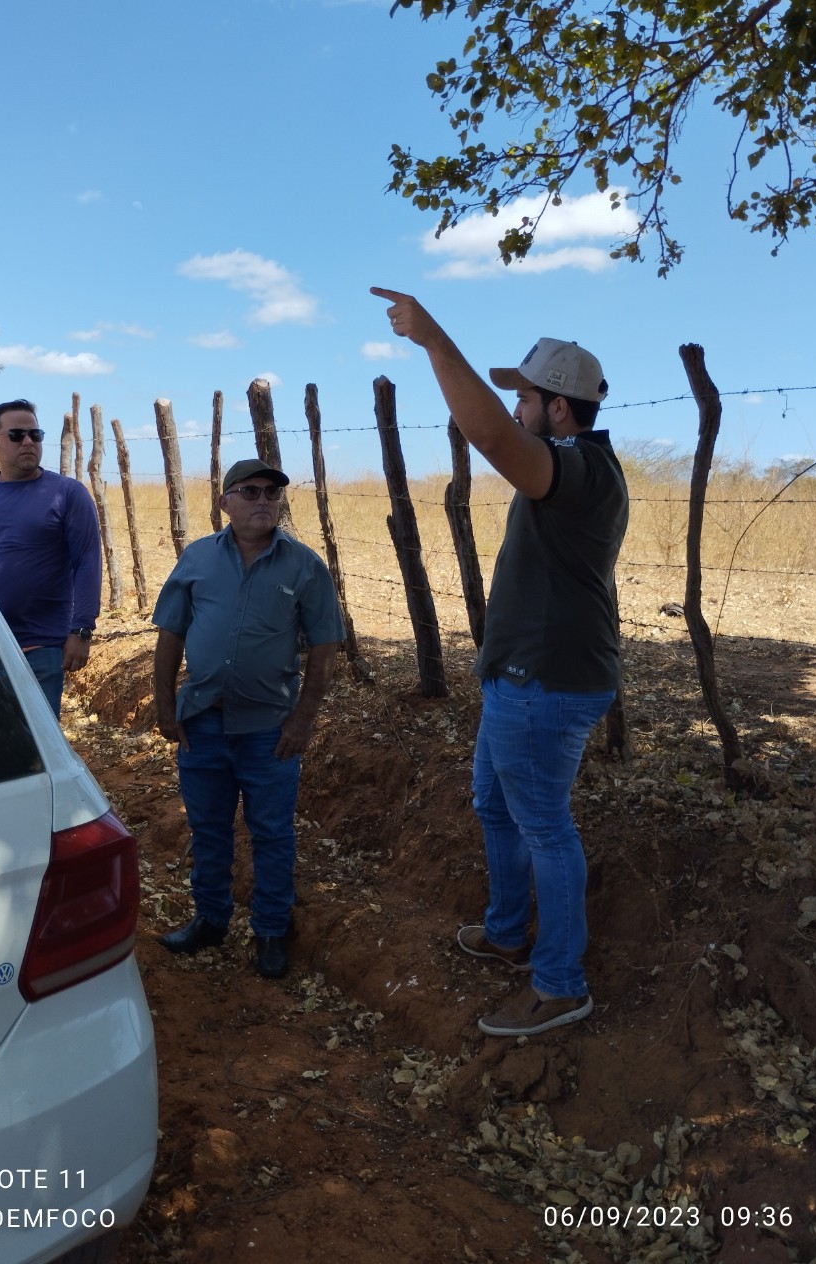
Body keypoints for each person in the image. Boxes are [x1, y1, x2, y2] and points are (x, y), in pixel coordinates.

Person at [371, 287, 628, 1037]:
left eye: (525, 398)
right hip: (518, 679)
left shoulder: (578, 467)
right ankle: (510, 929)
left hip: (547, 685)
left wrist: (434, 342)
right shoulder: (567, 466)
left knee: (545, 826)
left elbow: (490, 439)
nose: (515, 408)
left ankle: (559, 985)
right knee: (494, 804)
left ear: (559, 408)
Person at [152, 457, 345, 979]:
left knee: (272, 832)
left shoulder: (305, 567)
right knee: (209, 828)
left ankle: (270, 930)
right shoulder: (196, 559)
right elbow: (170, 633)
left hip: (269, 729)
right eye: (251, 491)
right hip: (203, 724)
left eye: (272, 494)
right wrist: (164, 703)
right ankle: (211, 919)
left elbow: (326, 648)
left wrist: (303, 718)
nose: (263, 501)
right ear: (225, 502)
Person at [0, 398, 102, 717]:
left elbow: (87, 561)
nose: (28, 442)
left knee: (36, 747)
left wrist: (82, 629)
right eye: (16, 435)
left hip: (42, 646)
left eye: (35, 435)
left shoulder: (68, 494)